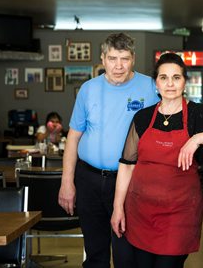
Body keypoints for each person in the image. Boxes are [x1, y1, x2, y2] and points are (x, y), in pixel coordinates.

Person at [111, 52, 203, 268]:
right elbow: (127, 165)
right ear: (156, 83)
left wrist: (197, 138)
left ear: (185, 82)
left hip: (178, 214)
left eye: (176, 77)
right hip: (140, 212)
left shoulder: (198, 115)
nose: (170, 84)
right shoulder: (143, 117)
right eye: (163, 78)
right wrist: (118, 208)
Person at [58, 32, 159, 268]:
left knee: (127, 255)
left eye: (124, 58)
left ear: (133, 58)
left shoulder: (151, 88)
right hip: (89, 179)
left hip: (130, 182)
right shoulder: (88, 89)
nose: (118, 66)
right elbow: (73, 137)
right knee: (95, 254)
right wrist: (66, 182)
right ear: (102, 59)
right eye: (112, 58)